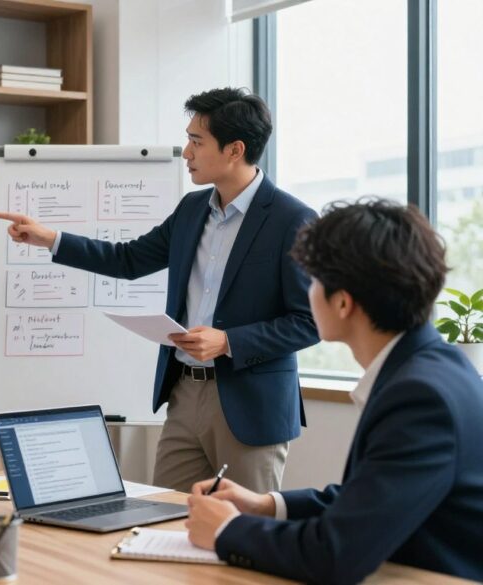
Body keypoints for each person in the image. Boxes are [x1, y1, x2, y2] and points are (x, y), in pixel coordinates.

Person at [0, 88, 319, 492]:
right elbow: (127, 260)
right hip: (184, 393)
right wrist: (51, 239)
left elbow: (309, 322)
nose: (186, 152)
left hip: (250, 405)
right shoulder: (191, 209)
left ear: (235, 149)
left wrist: (227, 341)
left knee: (244, 533)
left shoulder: (293, 219)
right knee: (163, 519)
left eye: (197, 142)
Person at [186, 199, 483, 583]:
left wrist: (227, 531)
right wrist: (265, 505)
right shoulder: (435, 368)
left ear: (343, 302)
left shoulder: (419, 397)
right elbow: (370, 500)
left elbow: (336, 553)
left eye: (312, 281)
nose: (305, 293)